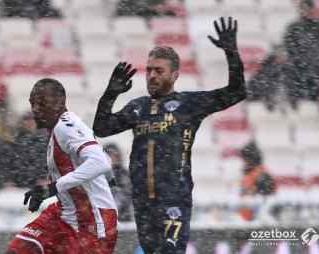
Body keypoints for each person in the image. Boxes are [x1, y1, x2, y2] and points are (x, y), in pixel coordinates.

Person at [93, 17, 246, 254]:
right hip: (143, 203)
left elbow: (236, 92)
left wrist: (231, 53)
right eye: (149, 70)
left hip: (173, 199)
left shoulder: (189, 104)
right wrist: (110, 95)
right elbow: (101, 128)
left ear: (175, 75)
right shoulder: (138, 107)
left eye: (159, 71)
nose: (152, 76)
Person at [6, 78, 118, 254]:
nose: (35, 109)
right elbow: (99, 154)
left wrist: (53, 188)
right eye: (32, 103)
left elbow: (100, 162)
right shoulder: (58, 129)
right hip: (65, 213)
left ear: (59, 103)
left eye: (41, 103)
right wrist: (111, 181)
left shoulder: (65, 126)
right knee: (19, 250)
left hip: (92, 221)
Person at [12, 112, 49, 188]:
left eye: (32, 120)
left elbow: (47, 162)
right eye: (27, 120)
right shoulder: (17, 141)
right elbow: (15, 163)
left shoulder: (46, 140)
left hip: (42, 184)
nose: (30, 123)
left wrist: (43, 177)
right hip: (21, 185)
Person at [104, 143, 133, 221]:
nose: (113, 158)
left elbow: (128, 194)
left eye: (115, 155)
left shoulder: (125, 174)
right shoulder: (99, 175)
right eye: (110, 155)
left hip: (123, 217)